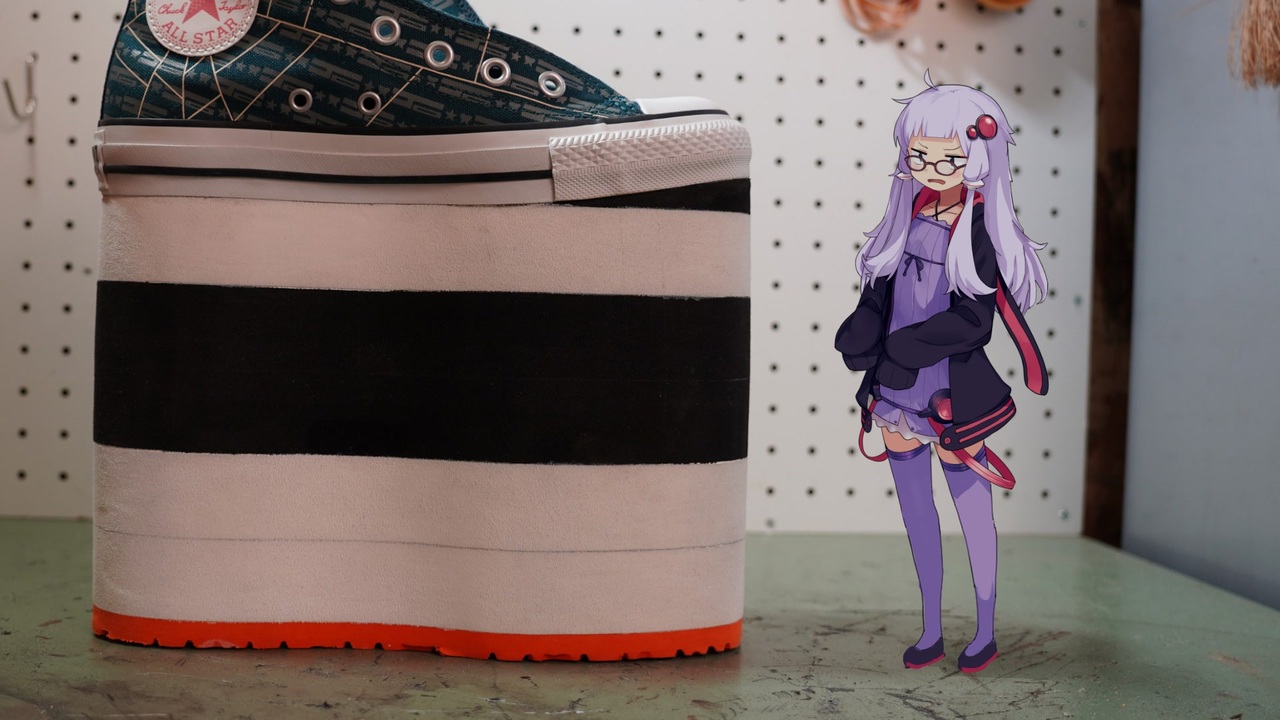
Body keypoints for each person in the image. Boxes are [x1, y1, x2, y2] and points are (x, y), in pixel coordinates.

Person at [834, 71, 1049, 674]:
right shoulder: (903, 217)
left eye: (949, 158)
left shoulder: (977, 230)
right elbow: (880, 292)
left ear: (978, 158)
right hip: (896, 389)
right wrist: (863, 329)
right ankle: (930, 627)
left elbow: (973, 323)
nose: (932, 169)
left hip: (952, 394)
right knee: (916, 512)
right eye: (919, 156)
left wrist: (906, 345)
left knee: (971, 510)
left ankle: (984, 630)